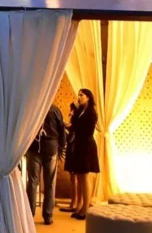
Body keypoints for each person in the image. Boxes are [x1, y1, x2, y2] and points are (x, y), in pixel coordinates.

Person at [25, 103, 67, 224]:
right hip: (51, 148)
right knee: (50, 183)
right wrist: (61, 148)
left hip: (34, 148)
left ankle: (29, 215)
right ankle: (48, 216)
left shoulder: (32, 107)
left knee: (32, 182)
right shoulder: (55, 110)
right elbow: (62, 130)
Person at [67, 89, 100, 220]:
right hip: (79, 145)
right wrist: (73, 115)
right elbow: (75, 127)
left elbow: (86, 130)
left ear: (88, 97)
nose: (79, 97)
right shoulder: (79, 111)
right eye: (78, 95)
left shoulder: (91, 112)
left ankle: (86, 208)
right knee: (79, 176)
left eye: (81, 95)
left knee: (85, 176)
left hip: (87, 145)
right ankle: (80, 206)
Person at [61, 102, 78, 213]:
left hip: (75, 149)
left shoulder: (77, 122)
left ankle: (75, 203)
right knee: (73, 178)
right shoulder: (73, 123)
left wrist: (63, 124)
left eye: (73, 110)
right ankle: (74, 202)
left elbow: (71, 131)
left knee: (75, 177)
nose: (71, 113)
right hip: (72, 148)